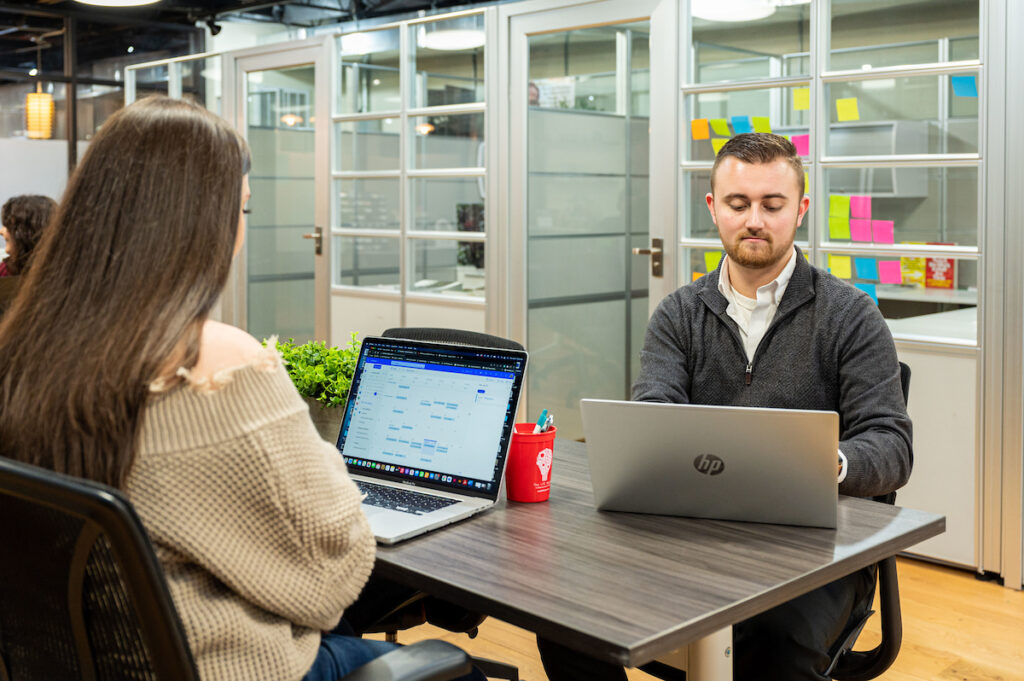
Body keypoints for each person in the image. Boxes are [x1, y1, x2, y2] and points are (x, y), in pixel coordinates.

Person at [0, 96, 483, 681]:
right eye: (242, 212)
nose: (240, 235)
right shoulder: (215, 359)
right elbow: (334, 575)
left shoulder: (25, 355)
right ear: (199, 224)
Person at [535, 133, 913, 681]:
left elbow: (891, 444)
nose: (754, 219)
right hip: (689, 537)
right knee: (564, 609)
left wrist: (828, 463)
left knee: (772, 646)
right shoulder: (678, 315)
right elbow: (654, 419)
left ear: (801, 210)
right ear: (713, 209)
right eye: (738, 204)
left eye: (772, 204)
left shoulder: (851, 315)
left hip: (816, 551)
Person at [0, 194, 56, 313]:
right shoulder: (5, 270)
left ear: (27, 234)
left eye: (9, 225)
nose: (1, 231)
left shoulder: (56, 280)